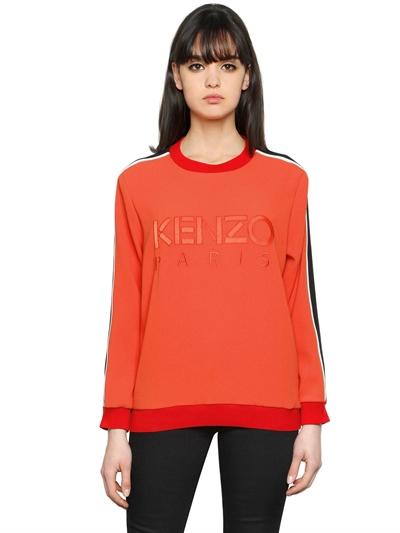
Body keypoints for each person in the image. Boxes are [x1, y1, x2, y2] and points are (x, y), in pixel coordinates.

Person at [99, 4, 330, 532]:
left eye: (227, 65)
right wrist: (116, 427)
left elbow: (300, 302)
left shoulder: (286, 181)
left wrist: (313, 417)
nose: (212, 80)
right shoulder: (138, 184)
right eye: (198, 65)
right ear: (176, 76)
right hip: (161, 401)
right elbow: (127, 311)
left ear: (247, 77)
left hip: (266, 400)